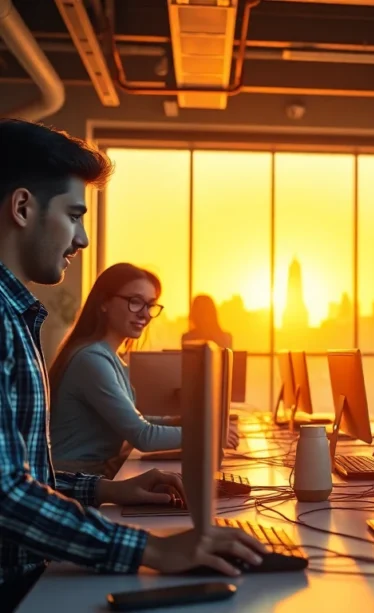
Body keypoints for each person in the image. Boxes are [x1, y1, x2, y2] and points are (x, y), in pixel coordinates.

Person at [0, 119, 265, 608]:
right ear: (22, 208)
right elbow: (6, 495)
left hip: (36, 571)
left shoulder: (17, 317)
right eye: (74, 216)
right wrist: (152, 550)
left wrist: (108, 491)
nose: (82, 239)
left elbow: (25, 479)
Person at [49, 264, 239, 479]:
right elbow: (143, 435)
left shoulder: (110, 357)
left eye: (150, 305)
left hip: (93, 476)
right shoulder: (92, 360)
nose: (145, 314)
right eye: (135, 302)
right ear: (104, 302)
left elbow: (135, 419)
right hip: (71, 483)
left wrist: (182, 421)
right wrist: (210, 434)